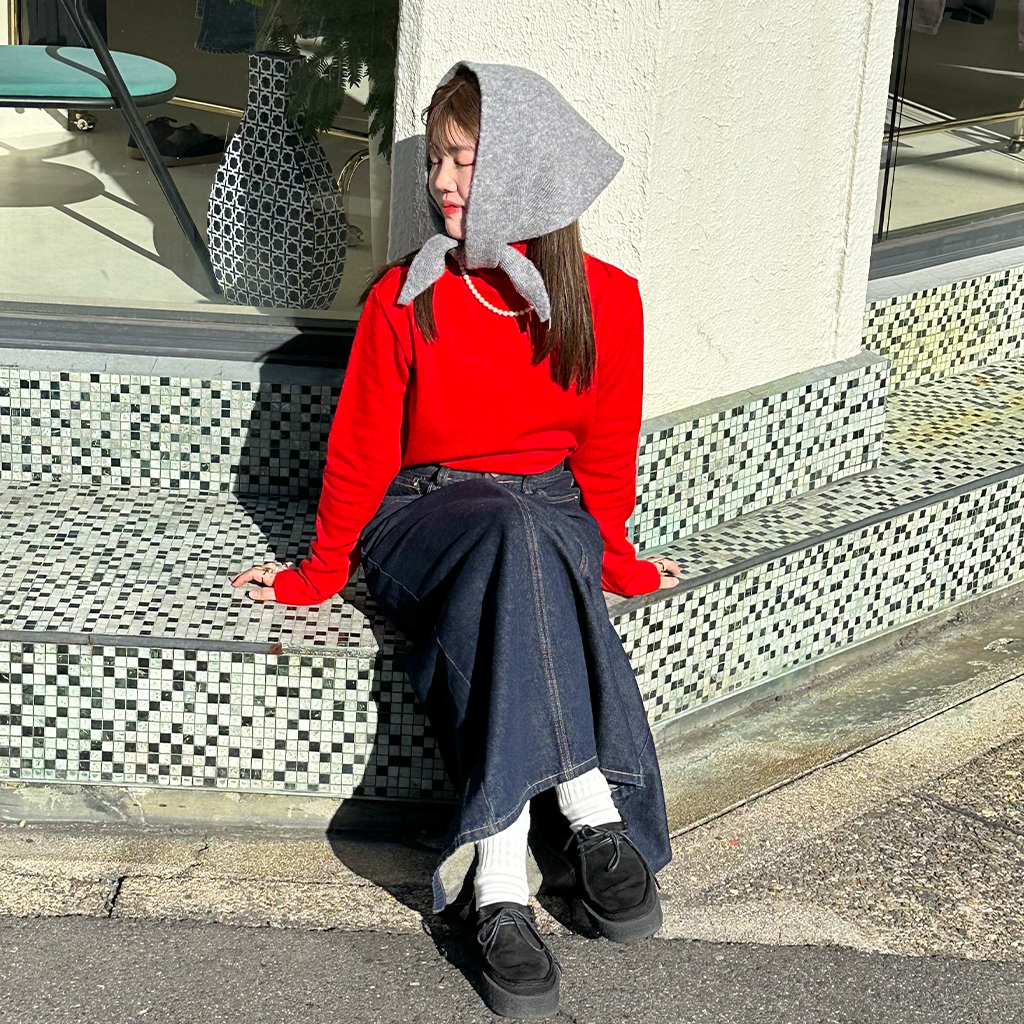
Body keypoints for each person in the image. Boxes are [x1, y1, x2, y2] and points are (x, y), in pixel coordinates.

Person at [231, 61, 681, 1020]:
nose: (440, 181)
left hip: (544, 515)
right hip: (424, 513)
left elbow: (606, 454)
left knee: (526, 535)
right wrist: (320, 571)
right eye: (437, 158)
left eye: (464, 161)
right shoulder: (407, 295)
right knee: (514, 534)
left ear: (525, 171)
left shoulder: (609, 300)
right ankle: (594, 810)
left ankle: (498, 887)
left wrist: (616, 555)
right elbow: (361, 447)